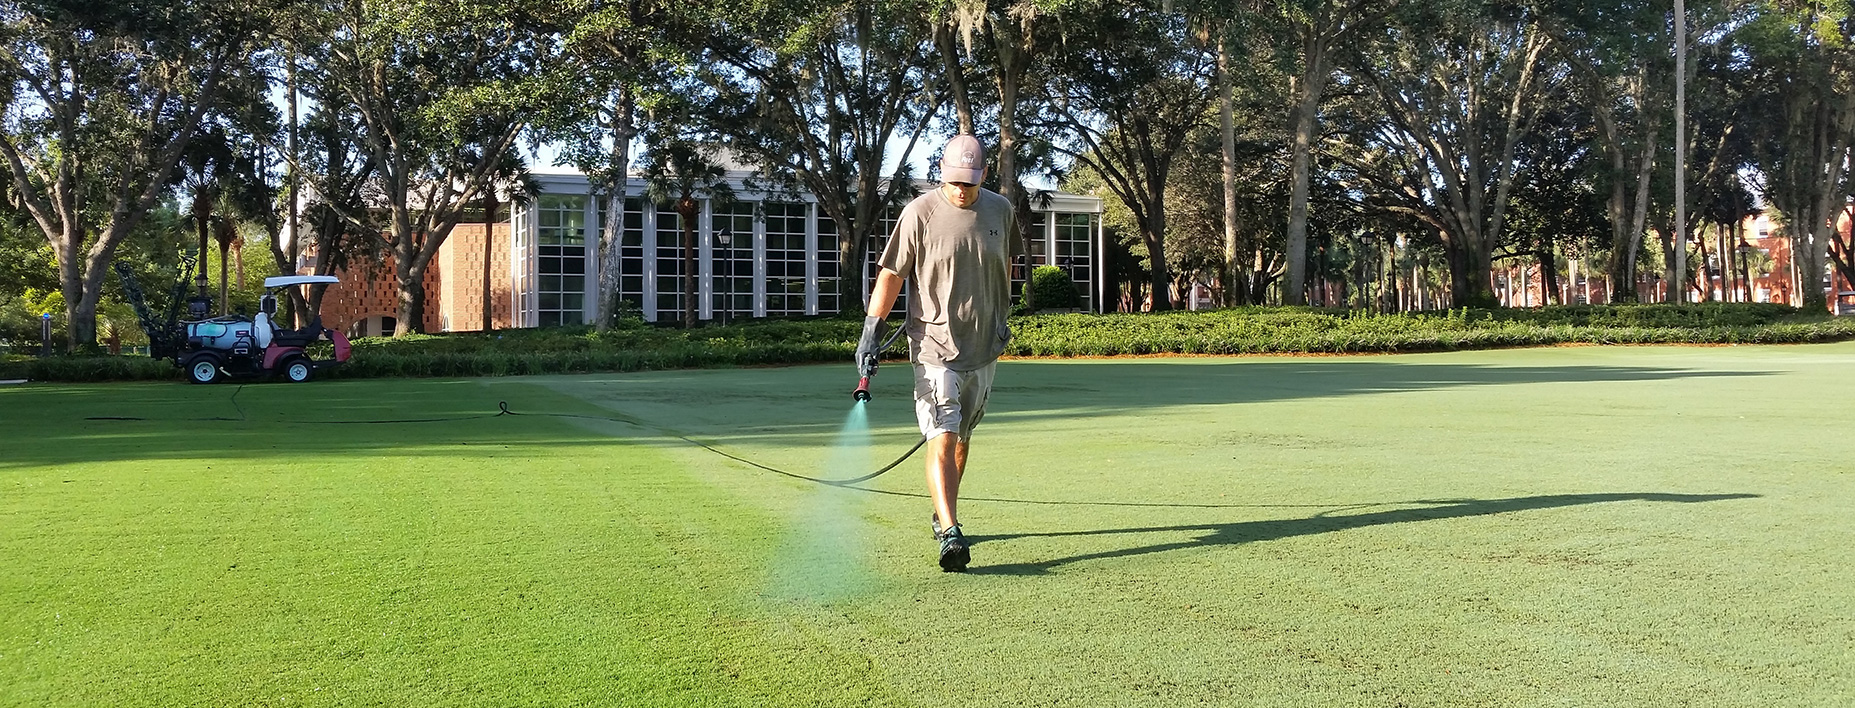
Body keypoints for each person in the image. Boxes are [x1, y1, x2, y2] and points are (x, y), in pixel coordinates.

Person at [858, 134, 1020, 572]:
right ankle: (950, 531)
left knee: (964, 437)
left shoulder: (1001, 211)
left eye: (970, 181)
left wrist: (1000, 310)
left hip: (984, 346)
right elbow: (892, 273)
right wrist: (873, 328)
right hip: (934, 346)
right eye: (953, 181)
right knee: (943, 435)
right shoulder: (920, 213)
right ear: (941, 174)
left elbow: (1006, 262)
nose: (961, 189)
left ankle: (941, 509)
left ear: (984, 174)